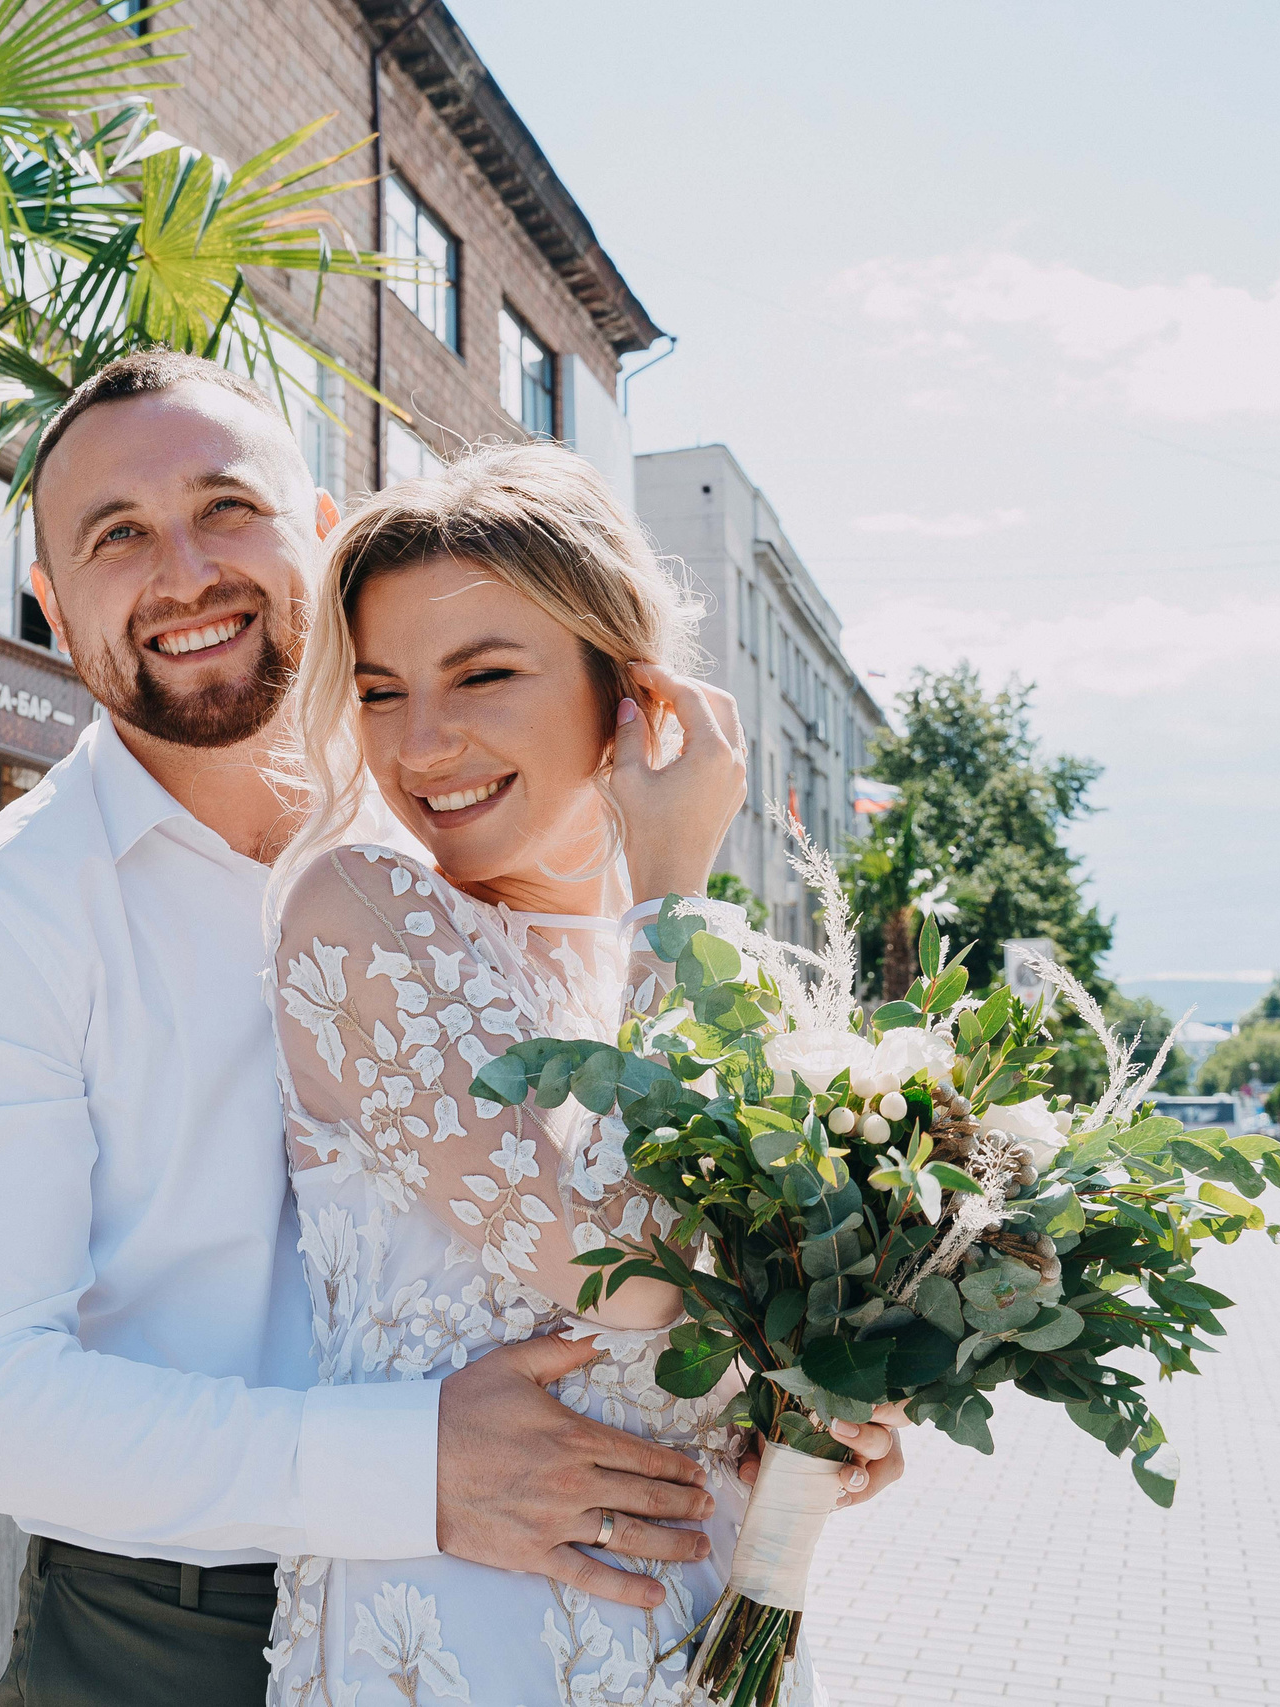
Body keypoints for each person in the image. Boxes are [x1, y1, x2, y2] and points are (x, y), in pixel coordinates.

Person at [0, 353, 903, 1707]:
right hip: (167, 1629)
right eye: (116, 535)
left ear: (319, 533)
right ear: (53, 604)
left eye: (224, 506)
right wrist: (410, 1464)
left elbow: (633, 1239)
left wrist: (798, 1389)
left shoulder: (462, 831)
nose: (181, 570)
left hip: (583, 1586)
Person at [265, 441, 834, 1701]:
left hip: (697, 1624)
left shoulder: (678, 972)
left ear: (624, 694)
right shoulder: (360, 910)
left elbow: (738, 1319)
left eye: (482, 675)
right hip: (462, 1642)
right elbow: (623, 1276)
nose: (422, 744)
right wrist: (675, 891)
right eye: (379, 691)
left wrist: (830, 1400)